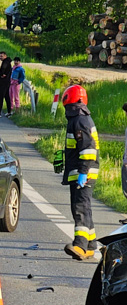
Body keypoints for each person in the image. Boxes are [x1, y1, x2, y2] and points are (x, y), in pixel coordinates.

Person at [61, 85, 100, 260]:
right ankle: (91, 245)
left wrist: (83, 172)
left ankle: (80, 245)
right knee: (85, 207)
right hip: (81, 170)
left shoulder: (79, 120)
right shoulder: (80, 118)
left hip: (84, 172)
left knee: (80, 208)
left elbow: (88, 149)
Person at [0, 51, 12, 117]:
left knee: (1, 97)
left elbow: (3, 68)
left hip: (4, 82)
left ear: (5, 56)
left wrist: (2, 74)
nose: (0, 58)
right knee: (7, 97)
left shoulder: (6, 62)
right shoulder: (7, 62)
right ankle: (9, 112)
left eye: (1, 56)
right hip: (6, 82)